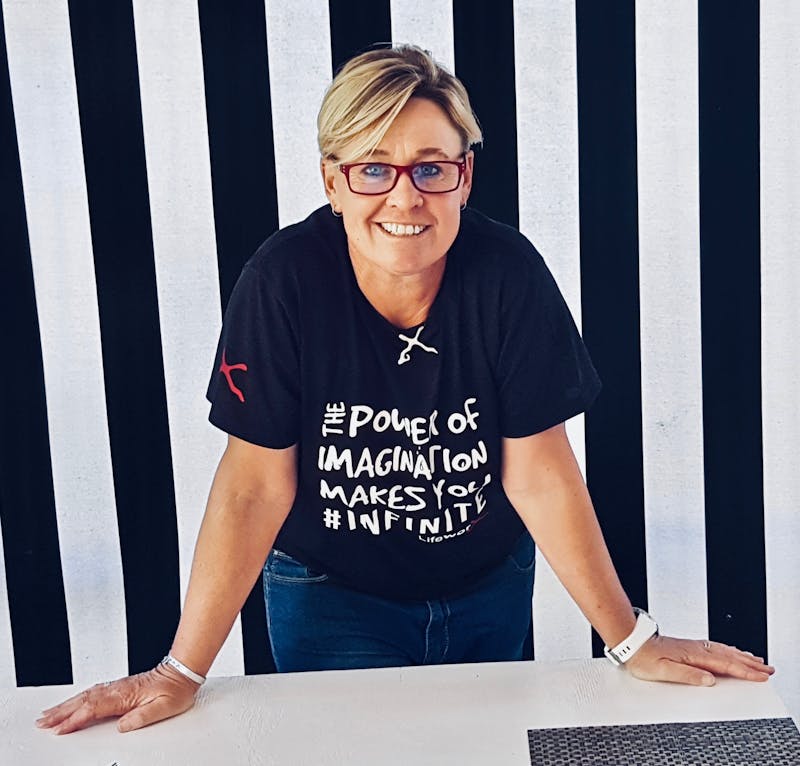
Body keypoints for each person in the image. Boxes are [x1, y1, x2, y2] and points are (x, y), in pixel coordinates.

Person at [36, 44, 774, 736]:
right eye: (372, 168)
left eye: (430, 167)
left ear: (464, 177)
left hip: (486, 584)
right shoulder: (283, 280)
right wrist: (182, 668)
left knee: (477, 749)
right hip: (329, 594)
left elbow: (539, 470)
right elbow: (256, 483)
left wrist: (629, 640)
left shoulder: (508, 275)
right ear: (332, 180)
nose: (404, 195)